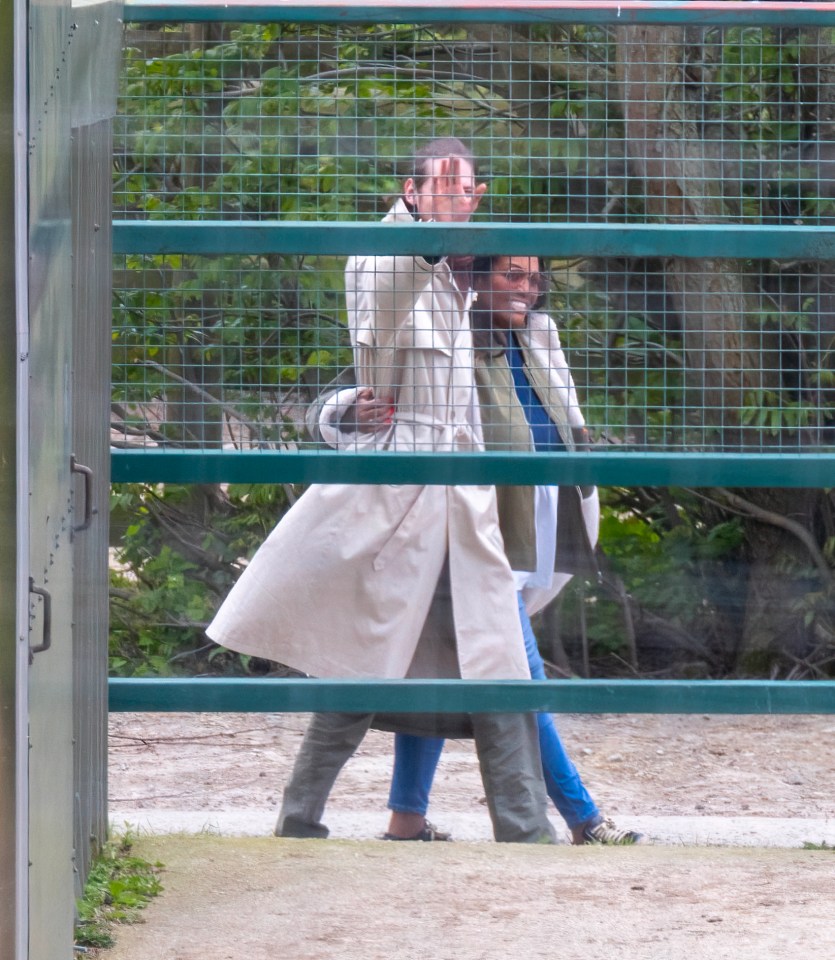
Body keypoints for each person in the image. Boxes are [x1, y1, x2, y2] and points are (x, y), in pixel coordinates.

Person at [208, 138, 557, 844]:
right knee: (362, 666)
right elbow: (376, 314)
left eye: (463, 190)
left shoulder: (479, 280)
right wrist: (419, 230)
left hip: (470, 507)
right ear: (411, 190)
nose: (452, 199)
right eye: (438, 187)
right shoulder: (380, 254)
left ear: (477, 198)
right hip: (399, 505)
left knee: (501, 666)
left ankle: (525, 830)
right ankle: (299, 818)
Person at [321, 254, 642, 845]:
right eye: (511, 276)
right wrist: (344, 411)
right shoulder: (445, 333)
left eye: (533, 277)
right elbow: (374, 386)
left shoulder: (540, 331)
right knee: (518, 672)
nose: (527, 288)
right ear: (476, 280)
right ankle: (584, 818)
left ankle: (405, 820)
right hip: (471, 527)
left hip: (543, 517)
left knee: (444, 665)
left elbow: (564, 414)